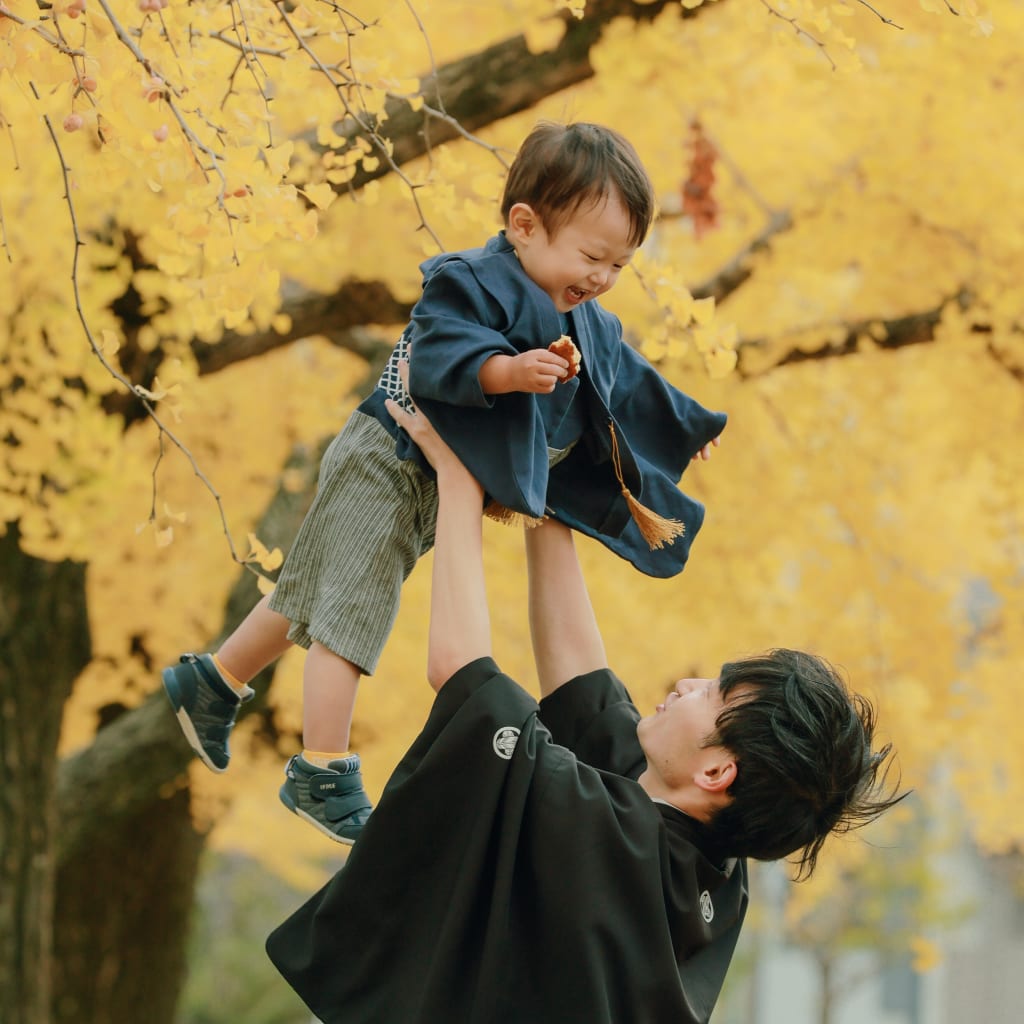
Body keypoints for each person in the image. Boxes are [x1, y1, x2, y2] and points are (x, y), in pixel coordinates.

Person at [264, 363, 904, 1024]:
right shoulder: (709, 864)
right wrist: (543, 474)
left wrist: (459, 481)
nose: (684, 685)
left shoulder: (610, 841)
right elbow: (579, 674)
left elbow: (462, 671)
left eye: (709, 695)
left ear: (717, 770)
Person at [161, 121, 726, 845]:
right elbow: (438, 353)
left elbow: (630, 381)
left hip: (430, 478)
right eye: (591, 256)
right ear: (524, 225)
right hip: (389, 456)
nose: (601, 279)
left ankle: (212, 682)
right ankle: (321, 766)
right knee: (354, 604)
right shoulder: (470, 280)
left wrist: (688, 425)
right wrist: (509, 371)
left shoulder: (584, 318)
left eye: (618, 264)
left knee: (317, 580)